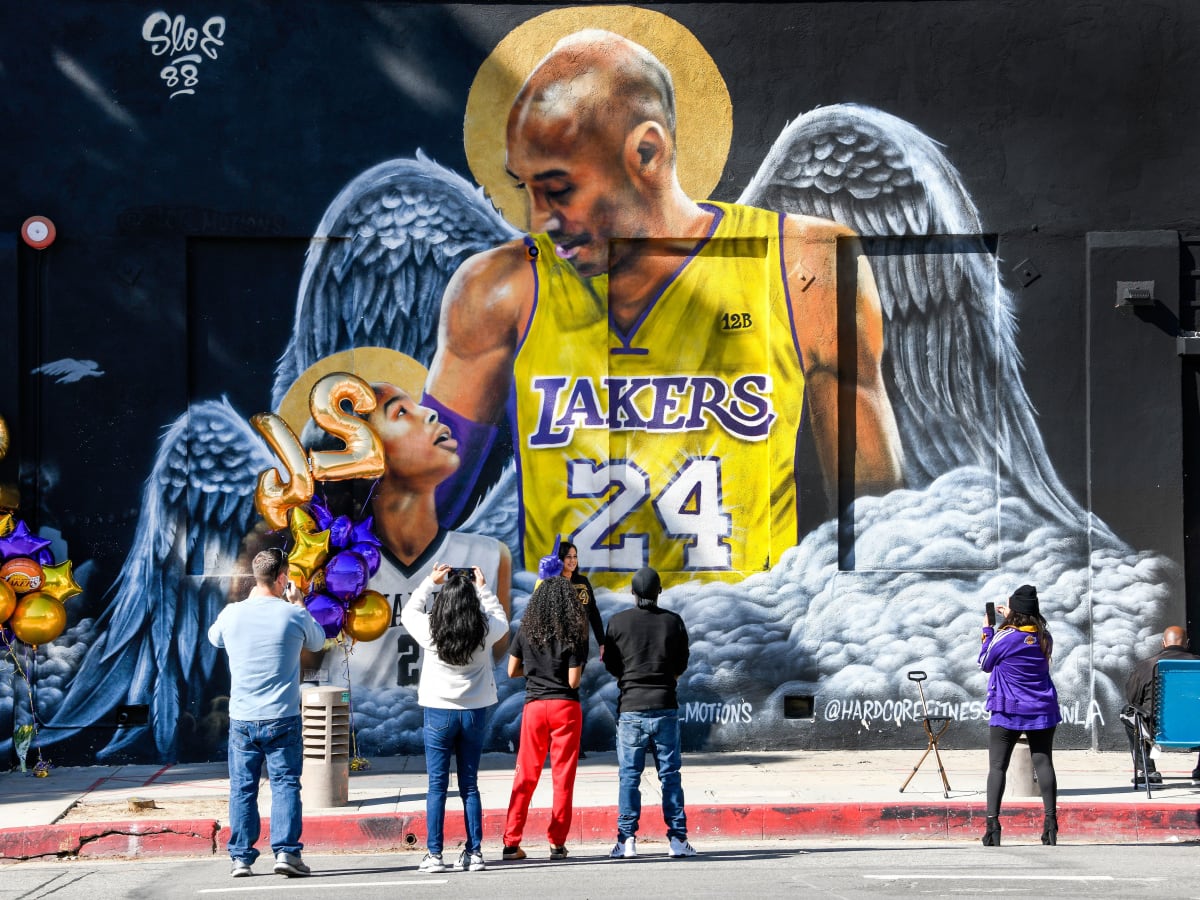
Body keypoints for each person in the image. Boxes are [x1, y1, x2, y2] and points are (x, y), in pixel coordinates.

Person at [423, 29, 903, 587]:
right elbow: (420, 505)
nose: (537, 219)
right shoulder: (500, 287)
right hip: (577, 657)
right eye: (524, 188)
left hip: (745, 647)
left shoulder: (804, 267)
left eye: (557, 188)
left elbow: (875, 528)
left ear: (645, 153)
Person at [316, 381, 512, 691]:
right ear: (367, 456)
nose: (431, 412)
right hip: (360, 734)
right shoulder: (336, 567)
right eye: (402, 411)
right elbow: (306, 666)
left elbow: (501, 667)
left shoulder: (490, 556)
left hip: (455, 720)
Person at [207, 548, 326, 878]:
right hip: (282, 716)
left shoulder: (232, 613)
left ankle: (242, 858)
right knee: (286, 784)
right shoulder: (293, 615)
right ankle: (286, 853)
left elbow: (214, 638)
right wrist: (300, 604)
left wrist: (244, 604)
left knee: (243, 788)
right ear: (282, 577)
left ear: (255, 578)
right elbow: (317, 643)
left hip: (243, 718)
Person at [402, 562, 509, 873]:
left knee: (437, 786)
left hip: (438, 712)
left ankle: (435, 855)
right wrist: (483, 587)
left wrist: (429, 581)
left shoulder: (432, 629)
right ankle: (474, 853)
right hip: (474, 713)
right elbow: (502, 619)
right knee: (470, 785)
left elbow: (409, 613)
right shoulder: (483, 629)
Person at [602, 566, 695, 859]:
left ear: (632, 592)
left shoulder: (617, 622)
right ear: (659, 592)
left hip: (630, 708)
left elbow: (612, 664)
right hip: (665, 705)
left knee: (629, 776)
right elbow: (682, 662)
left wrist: (627, 680)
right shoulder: (673, 622)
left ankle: (626, 839)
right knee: (670, 775)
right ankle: (678, 839)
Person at [502, 569, 589, 861]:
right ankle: (556, 843)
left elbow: (512, 670)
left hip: (535, 707)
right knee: (562, 778)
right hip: (565, 708)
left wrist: (537, 672)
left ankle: (511, 842)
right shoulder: (574, 631)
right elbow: (574, 680)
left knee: (525, 775)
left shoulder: (527, 630)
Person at [977, 584, 1061, 847]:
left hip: (1008, 709)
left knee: (997, 767)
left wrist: (988, 630)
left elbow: (985, 662)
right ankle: (1050, 824)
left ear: (1013, 610)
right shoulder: (1043, 636)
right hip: (1042, 708)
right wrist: (1009, 621)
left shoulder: (1005, 636)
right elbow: (1027, 648)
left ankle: (993, 827)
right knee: (1044, 762)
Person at [1122, 625, 1200, 785]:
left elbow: (1133, 700)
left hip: (1157, 730)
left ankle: (1148, 772)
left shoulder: (1146, 666)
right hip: (1197, 731)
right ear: (1188, 643)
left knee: (1127, 712)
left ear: (1163, 644)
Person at [559, 541, 604, 649]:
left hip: (581, 644)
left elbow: (593, 612)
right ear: (560, 559)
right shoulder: (553, 582)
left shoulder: (583, 581)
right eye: (568, 557)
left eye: (575, 556)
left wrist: (602, 642)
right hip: (560, 645)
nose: (573, 560)